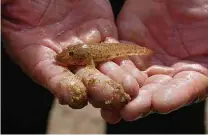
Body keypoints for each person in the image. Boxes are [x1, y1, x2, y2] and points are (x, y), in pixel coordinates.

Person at [1, 0, 208, 134]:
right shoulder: (78, 52)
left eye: (70, 55)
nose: (66, 57)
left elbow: (88, 61)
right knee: (20, 109)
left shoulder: (86, 55)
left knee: (155, 119)